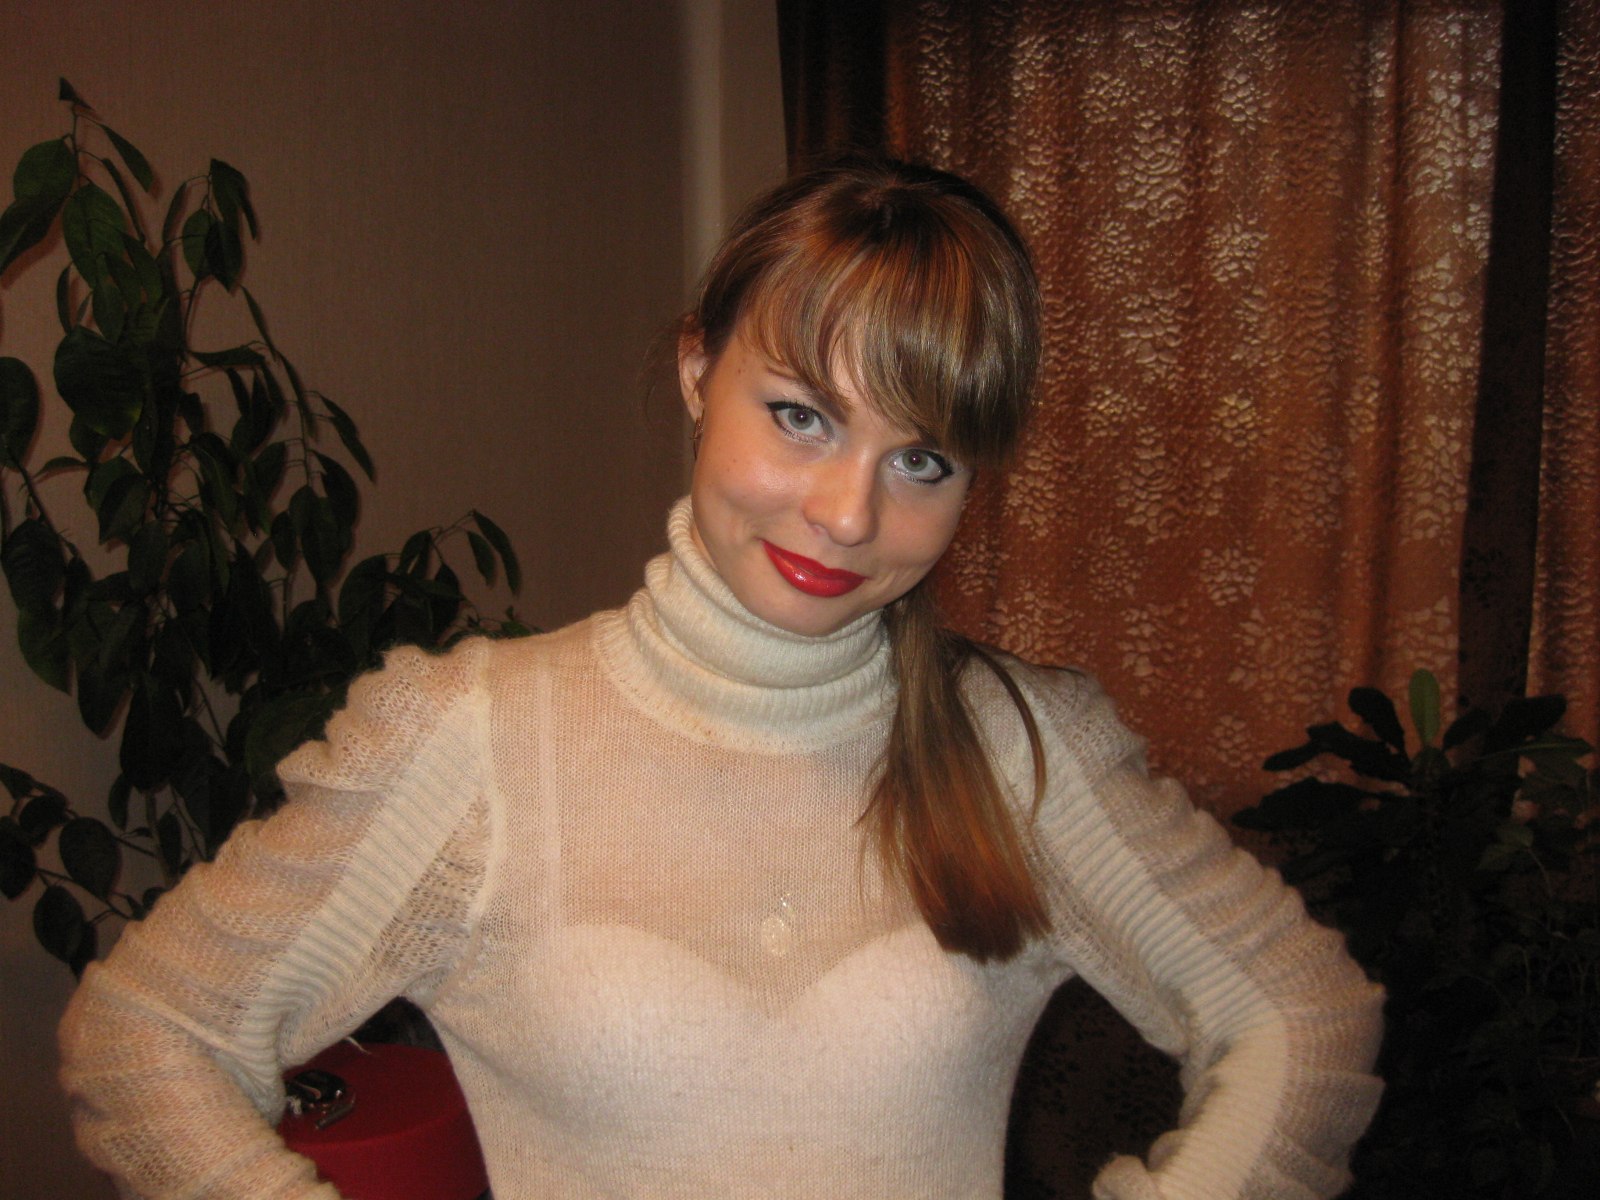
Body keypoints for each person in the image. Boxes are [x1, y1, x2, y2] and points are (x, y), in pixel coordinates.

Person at [59, 158, 1383, 1200]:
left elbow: (1302, 1021)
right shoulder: (474, 739)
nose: (848, 515)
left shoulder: (1024, 752)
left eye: (922, 460)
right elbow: (151, 1031)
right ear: (700, 370)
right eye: (802, 416)